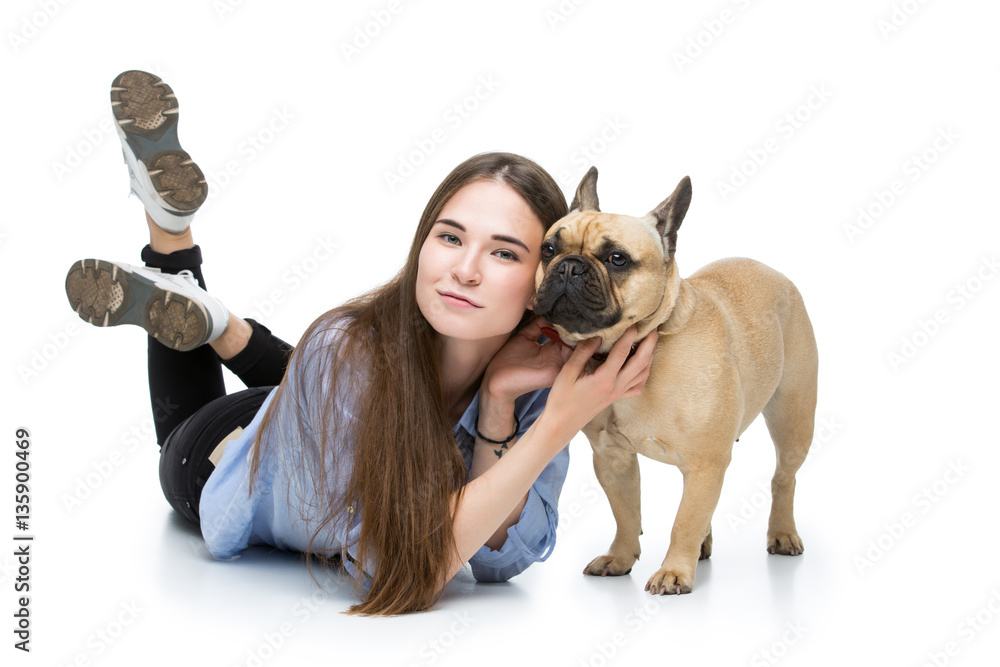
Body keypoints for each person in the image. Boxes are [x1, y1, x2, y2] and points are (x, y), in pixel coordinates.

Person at [65, 70, 657, 616]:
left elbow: (498, 560)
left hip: (320, 396)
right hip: (221, 449)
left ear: (538, 283)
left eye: (504, 252)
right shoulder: (343, 350)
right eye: (450, 238)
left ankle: (221, 323)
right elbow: (405, 570)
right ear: (422, 246)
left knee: (330, 370)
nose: (466, 270)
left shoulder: (531, 383)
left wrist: (500, 405)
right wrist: (556, 426)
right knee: (323, 363)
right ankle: (172, 240)